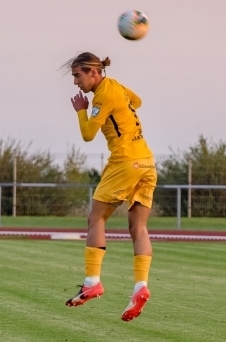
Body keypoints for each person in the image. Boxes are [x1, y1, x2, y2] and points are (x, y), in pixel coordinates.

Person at [64, 52, 156, 322]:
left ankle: (92, 281)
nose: (75, 82)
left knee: (96, 218)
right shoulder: (115, 85)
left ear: (93, 72)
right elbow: (136, 101)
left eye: (77, 75)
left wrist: (82, 111)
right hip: (147, 162)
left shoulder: (102, 96)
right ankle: (141, 287)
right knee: (138, 227)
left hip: (125, 161)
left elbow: (88, 135)